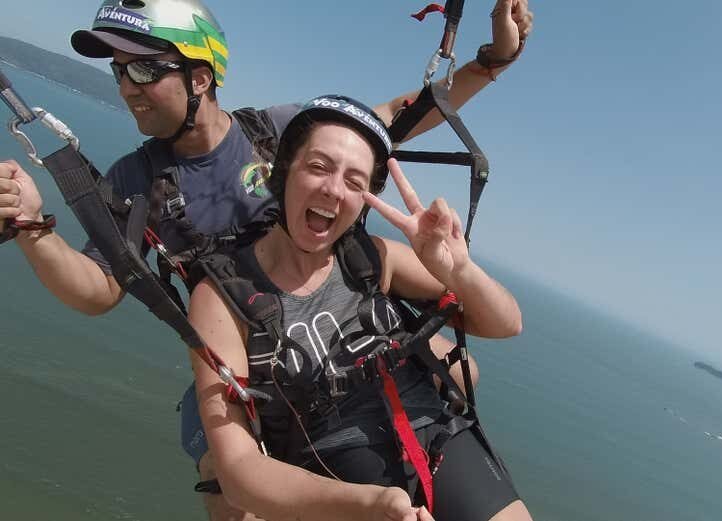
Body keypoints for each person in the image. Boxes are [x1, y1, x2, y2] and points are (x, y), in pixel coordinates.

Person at [0, 1, 533, 519]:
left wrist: (490, 63)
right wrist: (33, 231)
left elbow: (393, 117)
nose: (126, 88)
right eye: (119, 72)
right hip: (243, 355)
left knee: (460, 371)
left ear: (200, 78)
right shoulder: (136, 182)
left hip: (331, 327)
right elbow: (100, 287)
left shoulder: (278, 134)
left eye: (142, 68)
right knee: (233, 495)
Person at [188, 94, 530, 521]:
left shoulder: (371, 258)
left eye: (355, 181)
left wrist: (458, 269)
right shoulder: (222, 298)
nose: (334, 189)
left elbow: (506, 323)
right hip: (333, 469)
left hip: (436, 433)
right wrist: (370, 505)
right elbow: (238, 470)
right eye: (319, 167)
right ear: (283, 174)